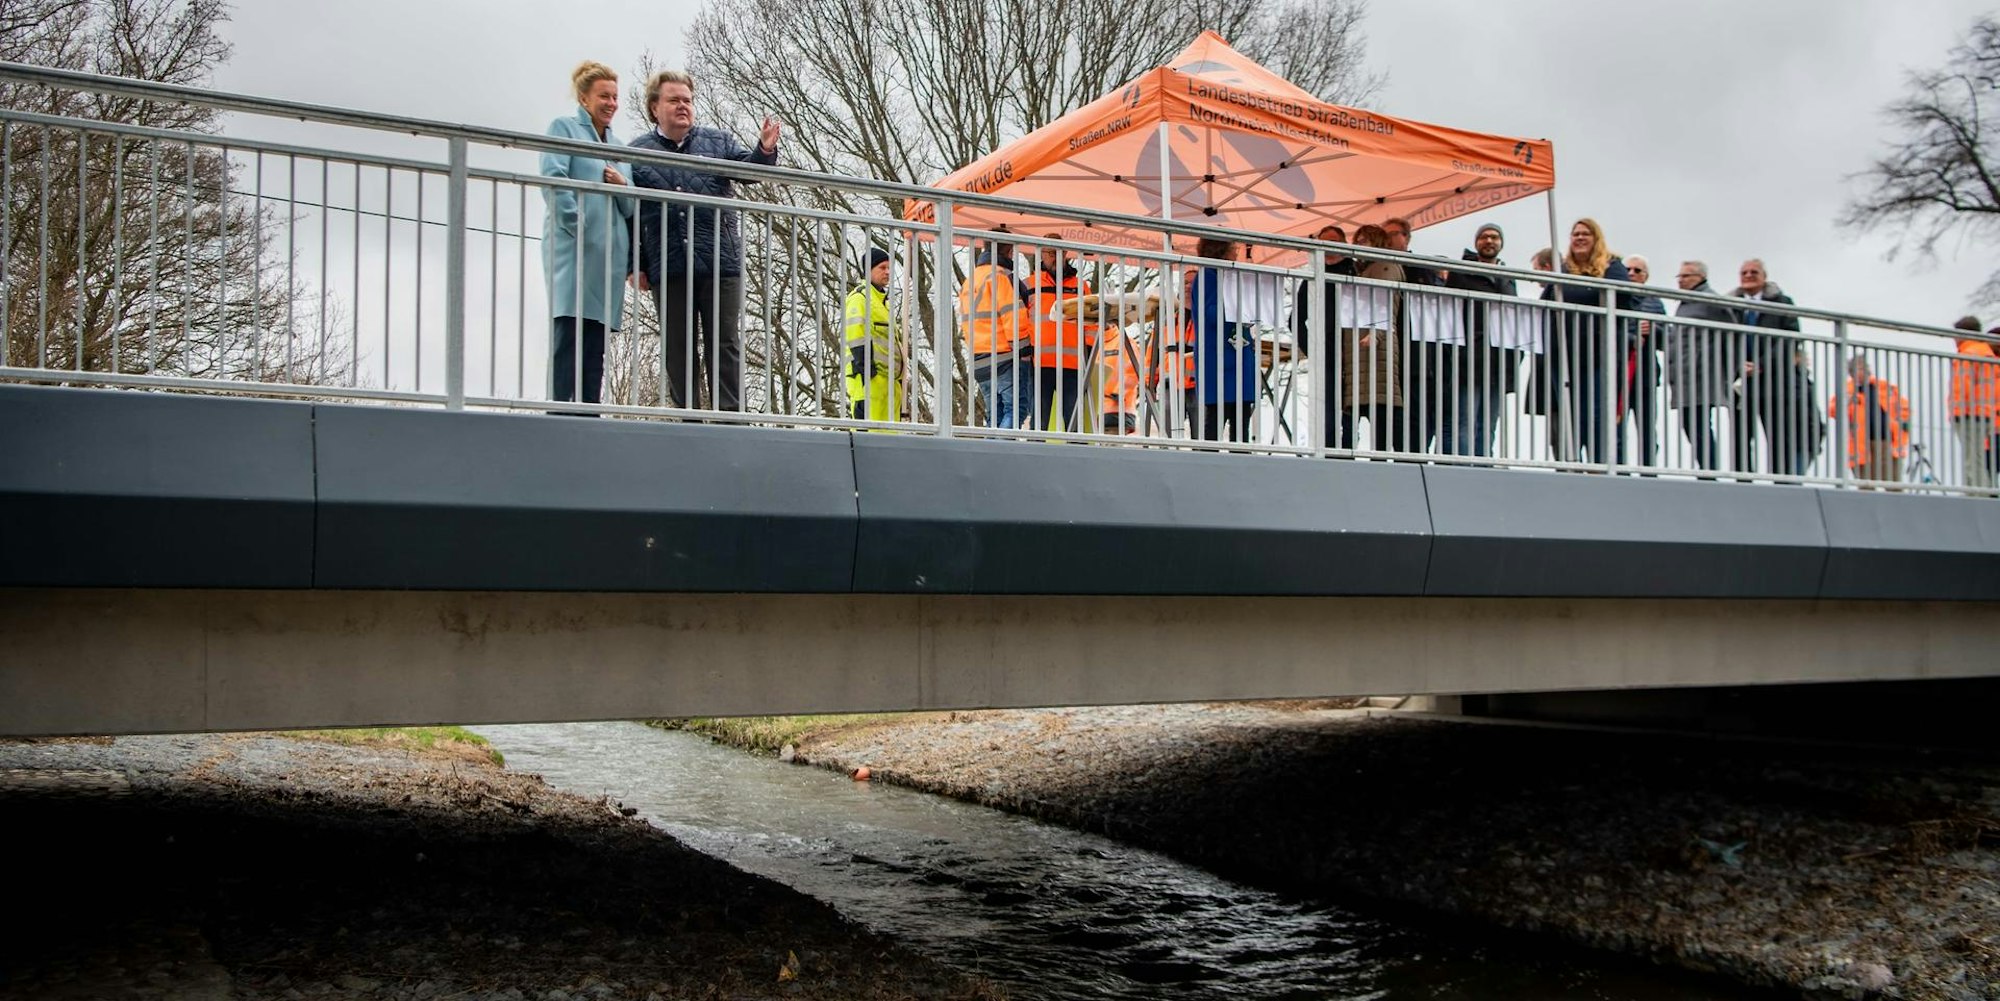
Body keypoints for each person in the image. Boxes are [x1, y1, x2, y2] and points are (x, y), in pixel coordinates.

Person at [629, 70, 781, 413]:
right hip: (669, 263)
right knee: (677, 346)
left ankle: (730, 420)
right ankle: (689, 420)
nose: (683, 106)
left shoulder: (717, 141)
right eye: (674, 100)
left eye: (687, 100)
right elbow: (630, 215)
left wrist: (765, 150)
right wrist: (634, 263)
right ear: (655, 107)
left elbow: (750, 170)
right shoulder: (636, 153)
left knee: (725, 342)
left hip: (720, 261)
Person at [540, 61, 635, 410]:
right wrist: (576, 224)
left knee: (595, 337)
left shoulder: (620, 145)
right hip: (574, 247)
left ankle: (588, 411)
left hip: (607, 255)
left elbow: (631, 205)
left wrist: (623, 184)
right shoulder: (564, 128)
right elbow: (554, 177)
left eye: (615, 96)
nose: (611, 103)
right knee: (569, 328)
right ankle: (560, 407)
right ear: (584, 97)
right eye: (603, 96)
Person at [1530, 218, 1635, 465]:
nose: (1579, 238)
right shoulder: (1563, 269)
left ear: (1595, 237)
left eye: (1585, 233)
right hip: (1563, 354)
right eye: (1575, 234)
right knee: (1569, 414)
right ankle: (1573, 466)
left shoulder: (1612, 265)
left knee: (1596, 415)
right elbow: (1547, 300)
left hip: (1597, 354)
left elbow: (1624, 296)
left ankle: (1599, 467)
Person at [1731, 259, 1818, 476]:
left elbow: (1789, 339)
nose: (1748, 275)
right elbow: (1725, 340)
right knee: (1741, 436)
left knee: (1779, 436)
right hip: (1742, 382)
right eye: (1744, 272)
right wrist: (1737, 364)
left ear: (1764, 276)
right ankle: (1744, 482)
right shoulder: (1731, 304)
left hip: (1774, 383)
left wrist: (1761, 365)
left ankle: (1782, 482)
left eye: (1754, 272)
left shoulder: (1782, 302)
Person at [1441, 222, 1519, 458]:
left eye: (1494, 237)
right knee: (1465, 420)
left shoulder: (1507, 277)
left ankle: (1484, 468)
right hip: (1470, 358)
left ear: (1501, 243)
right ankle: (1465, 469)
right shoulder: (1462, 271)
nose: (1489, 241)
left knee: (1488, 423)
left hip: (1498, 360)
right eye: (1484, 237)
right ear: (1476, 243)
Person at [1335, 224, 1407, 452]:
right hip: (1360, 354)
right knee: (1360, 413)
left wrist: (1375, 335)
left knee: (1379, 415)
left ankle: (1377, 466)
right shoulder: (1364, 269)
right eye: (1357, 240)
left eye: (1364, 240)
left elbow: (1386, 305)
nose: (1358, 245)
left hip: (1375, 354)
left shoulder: (1384, 266)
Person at [1385, 216, 1454, 452]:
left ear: (1407, 237)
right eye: (1386, 234)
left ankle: (1417, 461)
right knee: (1402, 420)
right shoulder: (1378, 267)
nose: (1389, 238)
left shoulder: (1419, 268)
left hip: (1422, 357)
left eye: (1394, 233)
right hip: (1395, 355)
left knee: (1424, 417)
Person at [1664, 261, 1740, 471]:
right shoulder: (1687, 303)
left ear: (1700, 277)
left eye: (1686, 276)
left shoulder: (1709, 300)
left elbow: (1732, 332)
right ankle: (1707, 469)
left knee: (1698, 426)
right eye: (1679, 276)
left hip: (1701, 376)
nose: (1681, 280)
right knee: (1692, 426)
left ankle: (1709, 471)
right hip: (1686, 377)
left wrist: (1728, 369)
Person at [1291, 223, 1361, 449]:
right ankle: (1330, 456)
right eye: (1324, 243)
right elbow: (1295, 319)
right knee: (1328, 414)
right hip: (1327, 355)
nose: (1328, 248)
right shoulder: (1313, 276)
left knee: (1352, 415)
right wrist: (1313, 350)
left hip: (1357, 353)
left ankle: (1349, 456)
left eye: (1334, 243)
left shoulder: (1357, 272)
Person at [1184, 236, 1258, 443]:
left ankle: (1240, 459)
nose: (1237, 251)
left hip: (1236, 354)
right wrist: (1240, 307)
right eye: (1234, 246)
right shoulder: (1207, 275)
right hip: (1220, 357)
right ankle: (1210, 460)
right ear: (1221, 249)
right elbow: (1210, 312)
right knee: (1217, 417)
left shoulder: (1227, 276)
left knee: (1240, 416)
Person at [959, 240, 1031, 428]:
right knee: (1016, 409)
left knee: (995, 414)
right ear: (1008, 251)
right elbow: (1013, 317)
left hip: (979, 357)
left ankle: (991, 453)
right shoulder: (1000, 277)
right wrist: (1024, 352)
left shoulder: (971, 280)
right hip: (1004, 355)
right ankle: (1002, 452)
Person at [1028, 236, 1096, 431]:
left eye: (1059, 252)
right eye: (1050, 253)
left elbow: (1091, 322)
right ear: (1042, 255)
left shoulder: (1080, 286)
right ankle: (1035, 459)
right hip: (1040, 363)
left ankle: (1077, 459)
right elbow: (1021, 322)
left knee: (1075, 422)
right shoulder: (1029, 284)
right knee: (1039, 422)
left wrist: (1089, 353)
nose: (1055, 257)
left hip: (1072, 364)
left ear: (1066, 253)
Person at [1830, 354, 1910, 487]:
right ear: (1851, 372)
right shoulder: (1847, 391)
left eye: (1862, 367)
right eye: (1856, 369)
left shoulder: (1884, 387)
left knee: (1893, 483)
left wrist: (1900, 425)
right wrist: (1846, 401)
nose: (1861, 371)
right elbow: (1833, 411)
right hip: (1862, 445)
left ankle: (1895, 506)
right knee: (1866, 485)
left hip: (1887, 441)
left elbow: (1904, 407)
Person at [842, 248, 902, 423]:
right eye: (882, 268)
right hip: (869, 381)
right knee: (868, 436)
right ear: (868, 271)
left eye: (889, 267)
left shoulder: (883, 303)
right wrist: (868, 372)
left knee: (888, 438)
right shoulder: (860, 298)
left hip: (887, 382)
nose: (887, 272)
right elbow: (856, 336)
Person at [1620, 255, 1667, 469]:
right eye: (1627, 269)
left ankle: (1649, 470)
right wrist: (1633, 336)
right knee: (1618, 425)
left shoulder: (1655, 302)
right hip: (1621, 371)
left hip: (1647, 373)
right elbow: (1610, 329)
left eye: (1637, 271)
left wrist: (1653, 330)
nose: (1631, 274)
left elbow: (1667, 337)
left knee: (1648, 426)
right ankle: (1619, 471)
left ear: (1645, 276)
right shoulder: (1618, 297)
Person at [1948, 316, 1999, 489]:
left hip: (1969, 412)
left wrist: (1956, 410)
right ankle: (1980, 491)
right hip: (1984, 412)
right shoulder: (1985, 351)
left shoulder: (1969, 352)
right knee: (1977, 456)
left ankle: (1978, 493)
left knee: (1972, 458)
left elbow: (1962, 386)